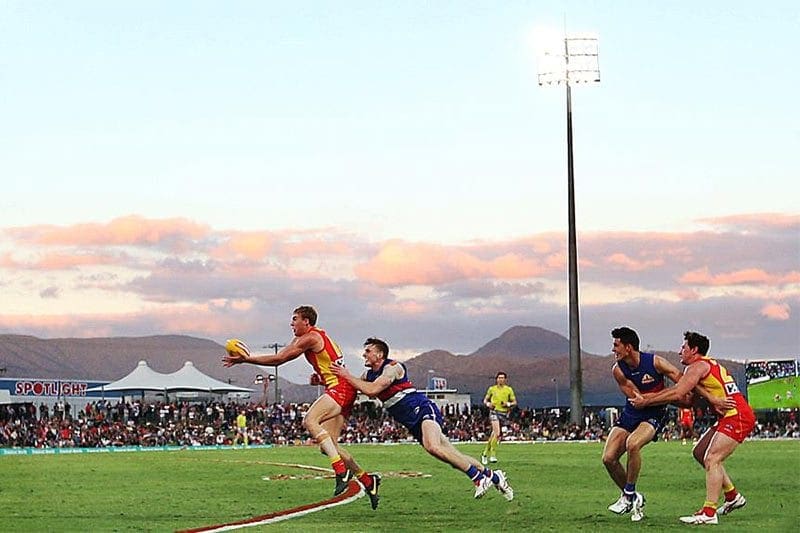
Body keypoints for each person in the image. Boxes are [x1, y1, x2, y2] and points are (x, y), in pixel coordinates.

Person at [222, 306, 380, 509]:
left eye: (295, 319)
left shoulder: (311, 337)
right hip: (342, 387)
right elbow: (328, 363)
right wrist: (321, 379)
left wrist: (247, 359)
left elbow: (281, 358)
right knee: (329, 446)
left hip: (340, 387)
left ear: (306, 321)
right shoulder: (315, 336)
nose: (291, 323)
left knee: (309, 420)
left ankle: (340, 470)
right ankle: (368, 480)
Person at [332, 337, 514, 502]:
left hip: (422, 409)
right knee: (453, 456)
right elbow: (355, 388)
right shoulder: (368, 375)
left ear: (379, 354)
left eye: (368, 351)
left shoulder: (393, 367)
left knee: (432, 446)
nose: (364, 354)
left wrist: (346, 375)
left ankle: (478, 479)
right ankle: (495, 477)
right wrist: (326, 381)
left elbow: (371, 390)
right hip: (411, 421)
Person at [630, 331, 754, 525]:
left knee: (712, 458)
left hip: (736, 416)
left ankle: (708, 512)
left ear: (694, 350)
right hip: (731, 414)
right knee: (699, 452)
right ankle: (732, 496)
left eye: (683, 348)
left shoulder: (696, 367)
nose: (680, 352)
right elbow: (691, 395)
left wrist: (646, 400)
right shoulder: (707, 364)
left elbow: (679, 392)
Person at [602, 326, 688, 522]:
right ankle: (633, 497)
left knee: (633, 444)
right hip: (631, 413)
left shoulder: (656, 362)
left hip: (654, 414)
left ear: (629, 347)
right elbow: (635, 397)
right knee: (608, 458)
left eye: (616, 345)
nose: (613, 349)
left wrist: (667, 398)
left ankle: (628, 493)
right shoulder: (618, 370)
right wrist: (664, 396)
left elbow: (683, 384)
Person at [481, 371, 516, 465]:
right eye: (499, 378)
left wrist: (507, 404)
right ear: (496, 379)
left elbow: (514, 402)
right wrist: (488, 404)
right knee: (497, 433)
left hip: (503, 413)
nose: (501, 379)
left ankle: (484, 454)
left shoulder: (509, 390)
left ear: (505, 379)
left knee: (493, 435)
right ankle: (493, 454)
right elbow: (485, 400)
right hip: (494, 411)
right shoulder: (492, 389)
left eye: (502, 378)